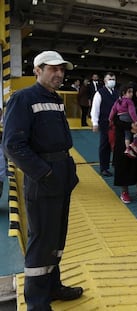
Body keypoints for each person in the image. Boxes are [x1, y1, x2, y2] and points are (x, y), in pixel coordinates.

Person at [2, 50, 83, 310]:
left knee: (57, 238)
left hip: (61, 174)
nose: (59, 74)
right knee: (41, 240)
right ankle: (37, 302)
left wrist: (65, 173)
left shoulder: (54, 98)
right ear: (37, 70)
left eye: (62, 70)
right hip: (43, 178)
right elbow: (13, 145)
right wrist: (44, 173)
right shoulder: (23, 98)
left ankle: (52, 287)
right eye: (53, 69)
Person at [90, 72, 118, 177]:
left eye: (113, 79)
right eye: (110, 79)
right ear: (105, 81)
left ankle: (116, 165)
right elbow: (95, 109)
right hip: (104, 123)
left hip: (116, 123)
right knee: (105, 145)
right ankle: (104, 168)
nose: (112, 81)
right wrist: (95, 123)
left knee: (117, 145)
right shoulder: (99, 93)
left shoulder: (117, 93)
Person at [108, 85, 137, 158]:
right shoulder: (129, 101)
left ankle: (127, 148)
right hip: (127, 117)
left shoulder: (118, 101)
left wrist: (110, 118)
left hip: (120, 117)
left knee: (126, 133)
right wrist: (135, 120)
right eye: (129, 92)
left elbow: (113, 110)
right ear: (123, 93)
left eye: (132, 92)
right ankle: (133, 145)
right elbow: (132, 111)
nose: (131, 94)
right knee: (135, 131)